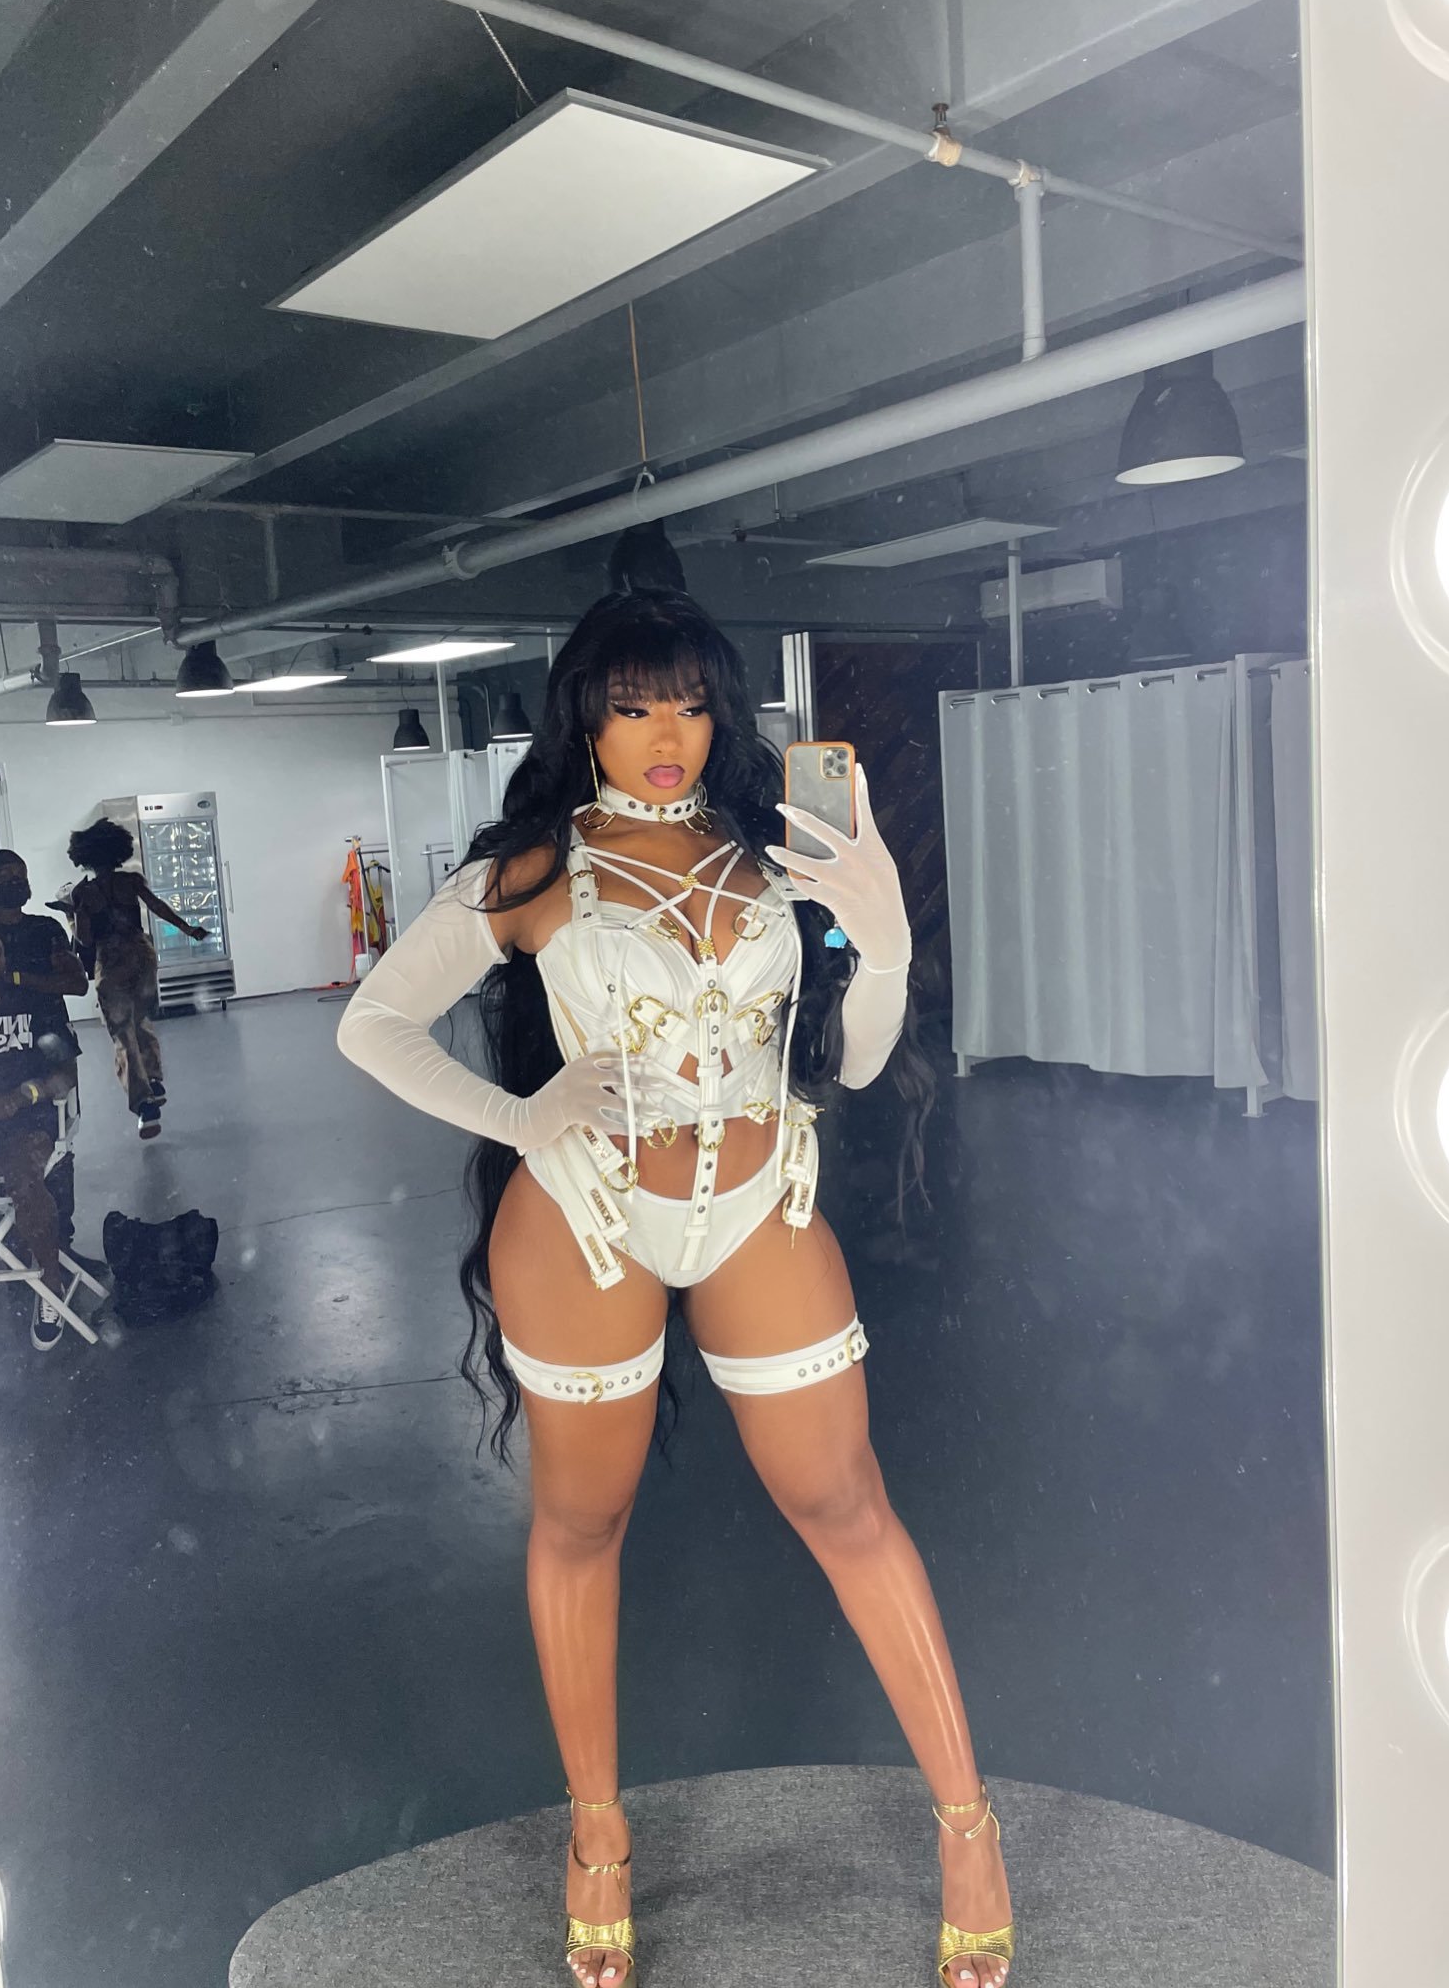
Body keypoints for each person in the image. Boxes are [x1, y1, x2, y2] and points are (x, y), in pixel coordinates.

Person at [338, 592, 1016, 1988]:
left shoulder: (776, 851)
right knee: (582, 1521)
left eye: (692, 703)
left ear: (721, 714)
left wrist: (881, 937)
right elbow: (373, 1021)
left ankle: (967, 1823)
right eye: (634, 703)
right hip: (586, 1220)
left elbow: (860, 1060)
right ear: (585, 715)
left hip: (761, 1199)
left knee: (846, 1503)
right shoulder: (533, 867)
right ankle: (598, 1833)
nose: (666, 732)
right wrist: (522, 1116)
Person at [0, 929, 78, 1351]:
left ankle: (50, 1283)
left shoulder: (34, 1004)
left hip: (26, 1118)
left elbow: (66, 1075)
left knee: (24, 1180)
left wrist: (21, 1095)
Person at [0, 848, 88, 1247]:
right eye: (6, 877)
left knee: (58, 1138)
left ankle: (61, 1243)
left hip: (50, 1040)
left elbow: (77, 983)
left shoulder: (46, 929)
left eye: (20, 876)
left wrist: (16, 979)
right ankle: (17, 1242)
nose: (16, 883)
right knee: (6, 1146)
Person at [67, 820, 208, 1141]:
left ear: (85, 857)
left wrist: (74, 913)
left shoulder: (84, 893)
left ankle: (145, 1105)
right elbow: (158, 907)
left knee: (122, 1032)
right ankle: (154, 1078)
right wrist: (188, 929)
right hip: (142, 954)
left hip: (111, 960)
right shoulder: (130, 881)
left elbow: (86, 940)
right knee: (141, 1019)